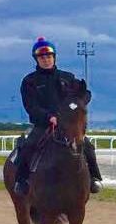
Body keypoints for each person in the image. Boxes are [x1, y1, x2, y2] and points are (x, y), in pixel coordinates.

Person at [14, 37, 103, 196]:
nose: (46, 60)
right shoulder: (29, 81)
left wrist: (78, 105)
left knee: (87, 146)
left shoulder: (67, 77)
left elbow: (85, 94)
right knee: (27, 146)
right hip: (43, 125)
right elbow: (31, 107)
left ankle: (94, 178)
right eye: (42, 57)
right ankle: (21, 181)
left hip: (67, 126)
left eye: (49, 57)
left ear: (54, 57)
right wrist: (49, 117)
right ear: (37, 59)